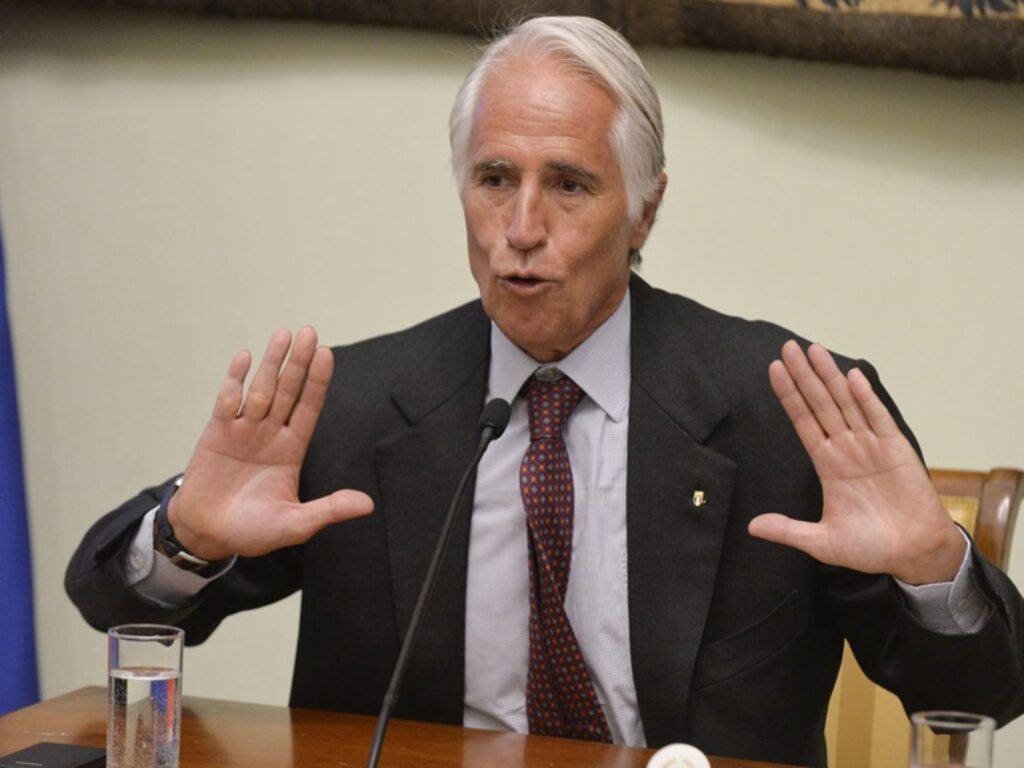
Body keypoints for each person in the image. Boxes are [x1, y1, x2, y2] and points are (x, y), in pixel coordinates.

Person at [66, 15, 1023, 768]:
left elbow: (985, 695)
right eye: (494, 179)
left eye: (569, 185)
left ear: (646, 208)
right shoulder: (355, 406)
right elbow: (111, 604)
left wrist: (931, 573)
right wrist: (187, 540)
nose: (520, 228)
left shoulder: (784, 413)